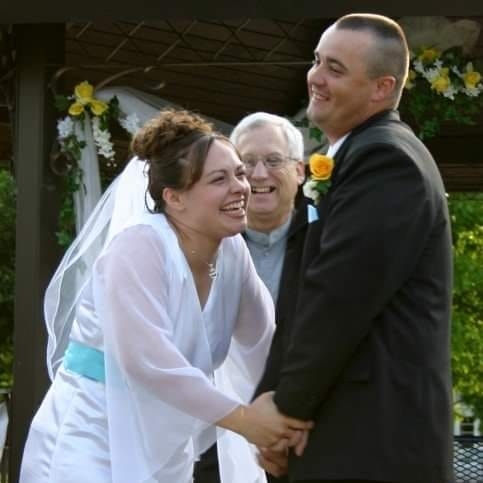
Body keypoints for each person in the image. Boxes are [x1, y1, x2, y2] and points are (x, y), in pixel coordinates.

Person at [19, 108, 312, 483]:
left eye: (239, 174)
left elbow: (262, 346)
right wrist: (246, 421)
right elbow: (149, 362)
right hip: (91, 437)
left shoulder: (233, 251)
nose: (242, 187)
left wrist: (281, 422)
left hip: (165, 445)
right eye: (219, 179)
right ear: (175, 198)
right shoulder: (139, 246)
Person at [258, 13, 454, 483]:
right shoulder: (355, 155)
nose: (315, 77)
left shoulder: (387, 160)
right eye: (317, 61)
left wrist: (283, 413)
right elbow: (303, 298)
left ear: (382, 88)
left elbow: (339, 298)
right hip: (345, 435)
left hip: (373, 441)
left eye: (336, 69)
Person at [193, 112, 310, 483]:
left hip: (300, 436)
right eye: (246, 164)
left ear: (300, 171)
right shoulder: (203, 243)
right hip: (213, 434)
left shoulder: (328, 241)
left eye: (273, 160)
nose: (259, 175)